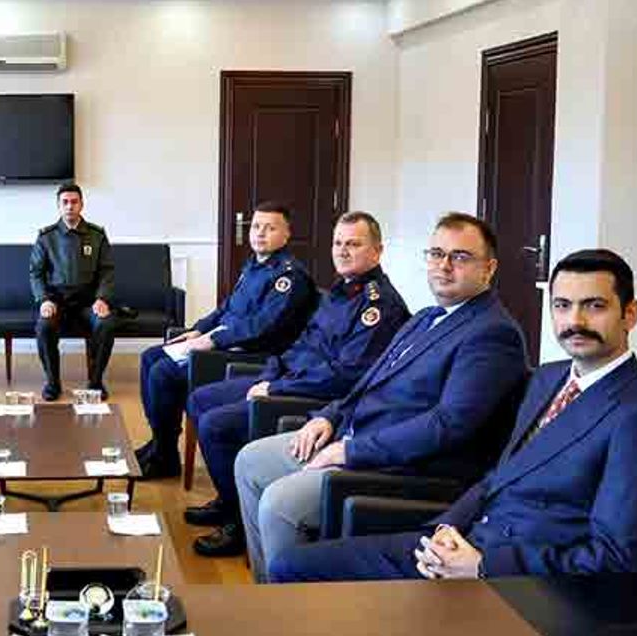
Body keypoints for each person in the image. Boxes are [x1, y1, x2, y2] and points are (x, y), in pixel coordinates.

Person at [271, 249, 637, 582]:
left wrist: (484, 566)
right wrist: (444, 531)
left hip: (520, 583)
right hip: (461, 542)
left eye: (594, 306)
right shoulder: (548, 378)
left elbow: (618, 559)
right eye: (562, 305)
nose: (575, 321)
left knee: (296, 570)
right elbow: (498, 477)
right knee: (291, 564)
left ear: (630, 314)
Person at [233, 212, 529, 582]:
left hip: (400, 466)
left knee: (280, 505)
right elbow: (369, 380)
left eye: (460, 256)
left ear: (489, 268)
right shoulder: (426, 317)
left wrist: (350, 451)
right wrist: (330, 416)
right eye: (437, 254)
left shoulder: (492, 333)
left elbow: (448, 425)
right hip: (353, 436)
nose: (444, 265)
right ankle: (267, 590)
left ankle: (289, 600)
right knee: (251, 461)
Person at [184, 212, 410, 556]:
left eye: (353, 244)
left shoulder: (379, 306)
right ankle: (230, 500)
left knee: (216, 425)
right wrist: (270, 374)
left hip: (310, 398)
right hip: (287, 378)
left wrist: (276, 389)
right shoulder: (338, 292)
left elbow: (345, 376)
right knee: (201, 399)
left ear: (377, 252)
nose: (343, 251)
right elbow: (302, 343)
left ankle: (239, 523)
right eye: (338, 243)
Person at [134, 203, 317, 480]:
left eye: (270, 228)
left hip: (250, 354)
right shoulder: (254, 265)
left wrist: (214, 339)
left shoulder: (290, 276)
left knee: (164, 372)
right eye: (256, 226)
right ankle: (161, 442)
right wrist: (198, 330)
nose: (260, 233)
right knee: (151, 356)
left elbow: (262, 326)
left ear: (287, 234)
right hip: (226, 343)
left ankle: (165, 456)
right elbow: (226, 308)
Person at [30, 182, 116, 401]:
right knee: (43, 326)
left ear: (81, 205)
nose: (70, 206)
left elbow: (107, 271)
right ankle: (53, 383)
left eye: (74, 202)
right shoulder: (46, 237)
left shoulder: (97, 235)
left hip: (88, 303)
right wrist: (44, 300)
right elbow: (36, 273)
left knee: (106, 324)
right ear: (58, 206)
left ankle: (95, 382)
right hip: (57, 303)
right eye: (65, 202)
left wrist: (102, 299)